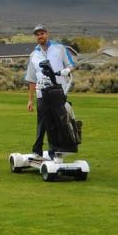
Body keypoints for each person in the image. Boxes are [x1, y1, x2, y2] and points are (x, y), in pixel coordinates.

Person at [25, 24, 75, 157]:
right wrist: (30, 100)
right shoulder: (34, 55)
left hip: (58, 91)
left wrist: (66, 71)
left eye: (42, 33)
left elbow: (71, 65)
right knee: (42, 122)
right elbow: (31, 79)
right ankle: (37, 151)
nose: (40, 36)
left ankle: (55, 150)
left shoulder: (60, 48)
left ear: (47, 34)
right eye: (37, 34)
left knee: (58, 122)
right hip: (41, 92)